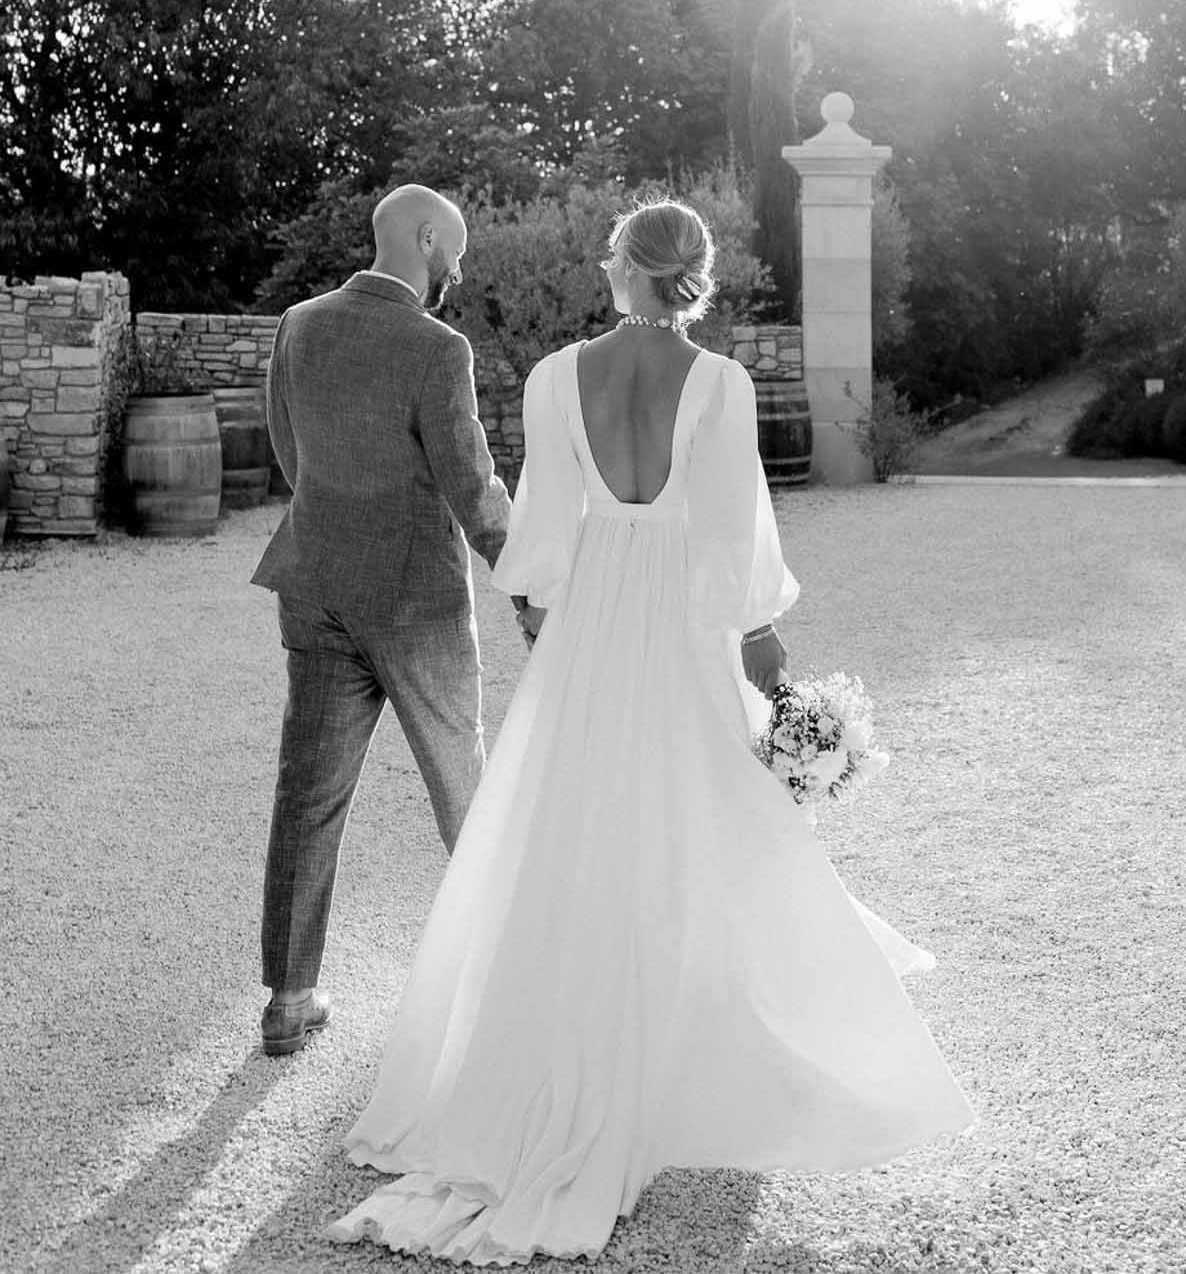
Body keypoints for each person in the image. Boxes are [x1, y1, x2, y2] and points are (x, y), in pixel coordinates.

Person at [329, 198, 974, 1262]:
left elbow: (537, 534)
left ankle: (554, 1052)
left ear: (630, 269)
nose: (600, 258)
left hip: (593, 628)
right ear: (695, 278)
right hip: (681, 623)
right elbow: (734, 536)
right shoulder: (718, 386)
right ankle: (699, 1043)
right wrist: (772, 669)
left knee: (573, 830)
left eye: (608, 250)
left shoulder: (550, 377)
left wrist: (545, 619)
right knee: (709, 821)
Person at [253, 184, 516, 1058]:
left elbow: (290, 453)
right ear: (427, 237)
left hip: (318, 582)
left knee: (308, 794)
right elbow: (470, 485)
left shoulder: (299, 322)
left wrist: (338, 513)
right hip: (414, 603)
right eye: (458, 250)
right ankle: (505, 983)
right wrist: (524, 577)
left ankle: (290, 999)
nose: (459, 268)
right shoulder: (437, 347)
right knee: (463, 787)